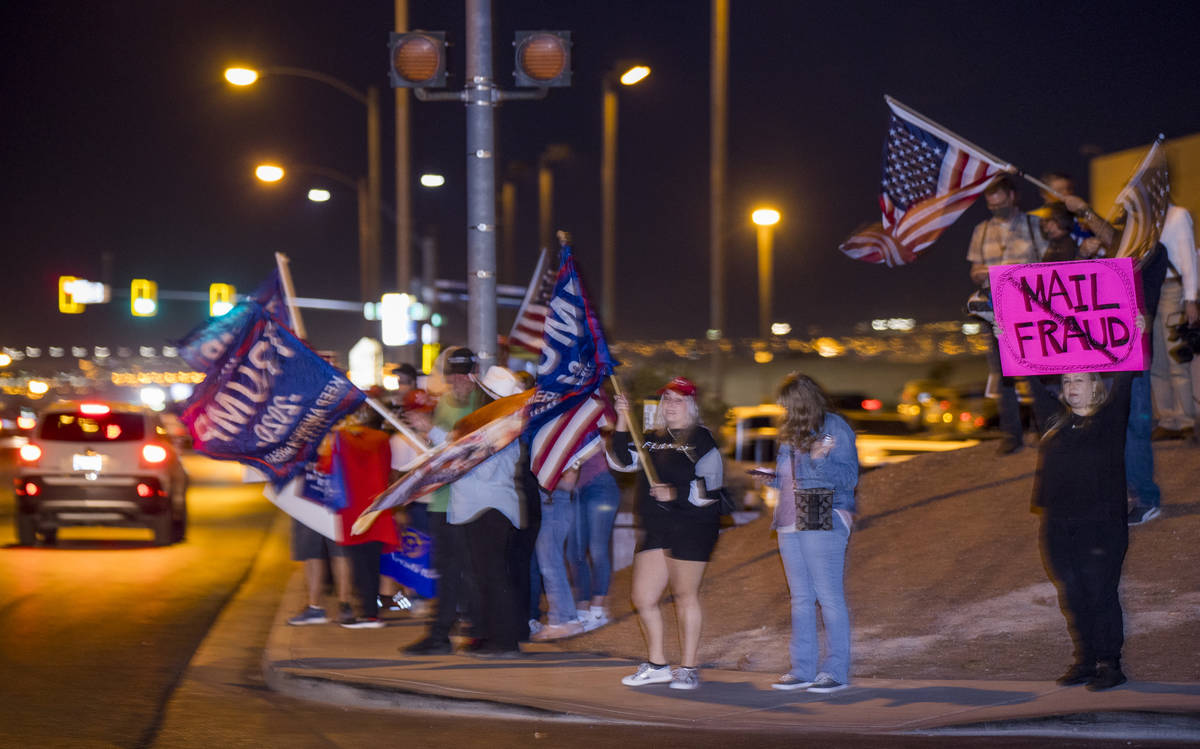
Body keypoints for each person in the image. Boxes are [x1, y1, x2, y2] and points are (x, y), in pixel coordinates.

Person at [610, 377, 725, 691]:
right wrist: (621, 417)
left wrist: (675, 492)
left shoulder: (702, 439)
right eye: (668, 399)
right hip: (657, 526)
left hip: (692, 527)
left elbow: (713, 489)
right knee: (643, 598)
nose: (671, 405)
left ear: (691, 404)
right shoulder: (650, 437)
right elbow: (623, 460)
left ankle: (688, 667)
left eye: (679, 399)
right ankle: (658, 664)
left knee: (685, 597)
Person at [1064, 194, 1169, 526]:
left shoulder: (1151, 250)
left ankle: (1146, 498)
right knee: (1108, 426)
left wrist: (1083, 211)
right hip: (1104, 355)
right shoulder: (1112, 252)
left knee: (1134, 427)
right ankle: (1120, 494)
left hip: (1133, 354)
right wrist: (1082, 256)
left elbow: (1121, 244)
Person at [1032, 370, 1135, 691]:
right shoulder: (1054, 422)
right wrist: (1000, 335)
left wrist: (1137, 330)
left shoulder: (1110, 420)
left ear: (1096, 387)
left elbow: (1127, 375)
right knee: (1073, 594)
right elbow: (1029, 379)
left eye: (1078, 380)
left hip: (1101, 527)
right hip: (1059, 525)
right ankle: (1086, 660)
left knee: (1100, 593)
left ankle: (1110, 664)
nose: (1071, 387)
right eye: (1066, 382)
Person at [766, 373, 858, 694]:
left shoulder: (835, 428)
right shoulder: (790, 432)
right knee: (801, 598)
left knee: (828, 595)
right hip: (790, 515)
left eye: (788, 406)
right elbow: (789, 476)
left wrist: (819, 462)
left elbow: (848, 477)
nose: (783, 411)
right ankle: (802, 669)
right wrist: (771, 478)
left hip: (820, 506)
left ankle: (835, 670)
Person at [402, 346, 485, 654]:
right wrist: (426, 437)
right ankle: (441, 635)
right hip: (442, 500)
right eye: (455, 375)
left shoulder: (482, 401)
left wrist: (432, 430)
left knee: (467, 570)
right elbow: (441, 452)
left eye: (467, 374)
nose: (461, 380)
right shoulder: (446, 402)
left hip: (469, 502)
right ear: (448, 377)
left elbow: (467, 448)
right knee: (449, 570)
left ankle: (472, 631)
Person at [967, 175, 1053, 453]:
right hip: (994, 307)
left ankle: (1047, 429)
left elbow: (1047, 264)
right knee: (1002, 373)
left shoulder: (1032, 224)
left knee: (1036, 371)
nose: (995, 209)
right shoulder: (980, 230)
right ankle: (1011, 435)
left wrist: (1015, 270)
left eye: (999, 203)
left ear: (1012, 197)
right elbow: (974, 271)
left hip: (1028, 306)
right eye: (990, 205)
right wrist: (990, 272)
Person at [1149, 204, 1199, 441]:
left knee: (1176, 358)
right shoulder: (1145, 220)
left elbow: (1188, 257)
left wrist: (1190, 298)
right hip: (1151, 289)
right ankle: (1168, 420)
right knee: (1156, 359)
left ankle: (1186, 420)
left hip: (1171, 288)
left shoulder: (1177, 215)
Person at [566, 447, 621, 632]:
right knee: (574, 553)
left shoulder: (585, 421)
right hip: (577, 491)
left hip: (600, 485)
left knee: (598, 549)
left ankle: (598, 611)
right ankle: (582, 612)